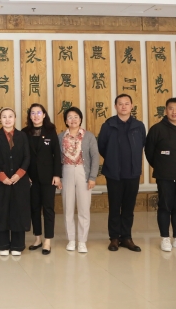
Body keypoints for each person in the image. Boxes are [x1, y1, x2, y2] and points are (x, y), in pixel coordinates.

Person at [145, 97, 176, 252]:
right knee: (165, 207)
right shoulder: (157, 129)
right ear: (166, 110)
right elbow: (149, 152)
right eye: (171, 108)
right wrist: (162, 166)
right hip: (165, 175)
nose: (174, 112)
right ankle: (165, 238)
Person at [98, 94, 146, 252]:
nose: (123, 106)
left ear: (132, 106)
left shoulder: (139, 126)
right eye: (120, 104)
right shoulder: (108, 125)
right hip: (114, 174)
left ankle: (126, 237)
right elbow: (102, 146)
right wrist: (112, 159)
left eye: (127, 103)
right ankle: (114, 238)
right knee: (114, 206)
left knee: (128, 207)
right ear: (115, 106)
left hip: (132, 173)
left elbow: (142, 144)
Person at [0, 107, 31, 256]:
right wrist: (2, 176)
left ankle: (17, 245)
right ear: (0, 119)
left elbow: (27, 157)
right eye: (4, 117)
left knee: (18, 210)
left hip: (19, 180)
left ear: (15, 118)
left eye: (10, 116)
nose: (7, 119)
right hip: (0, 181)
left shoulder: (22, 136)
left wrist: (19, 174)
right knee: (1, 210)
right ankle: (2, 244)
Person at [58, 107, 99, 253]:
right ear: (66, 121)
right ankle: (71, 240)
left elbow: (95, 157)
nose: (73, 120)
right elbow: (56, 158)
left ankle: (82, 241)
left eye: (76, 116)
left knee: (84, 208)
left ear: (80, 119)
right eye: (69, 117)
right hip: (66, 172)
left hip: (83, 172)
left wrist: (92, 177)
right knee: (68, 207)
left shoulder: (89, 136)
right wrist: (58, 177)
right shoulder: (61, 136)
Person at [22, 103, 62, 255]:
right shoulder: (24, 132)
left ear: (44, 115)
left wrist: (57, 175)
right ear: (29, 116)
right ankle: (37, 238)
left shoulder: (50, 131)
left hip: (48, 177)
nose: (36, 116)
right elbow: (22, 156)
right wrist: (24, 175)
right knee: (34, 208)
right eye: (33, 113)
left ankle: (47, 241)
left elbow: (56, 154)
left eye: (39, 113)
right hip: (31, 178)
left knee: (48, 208)